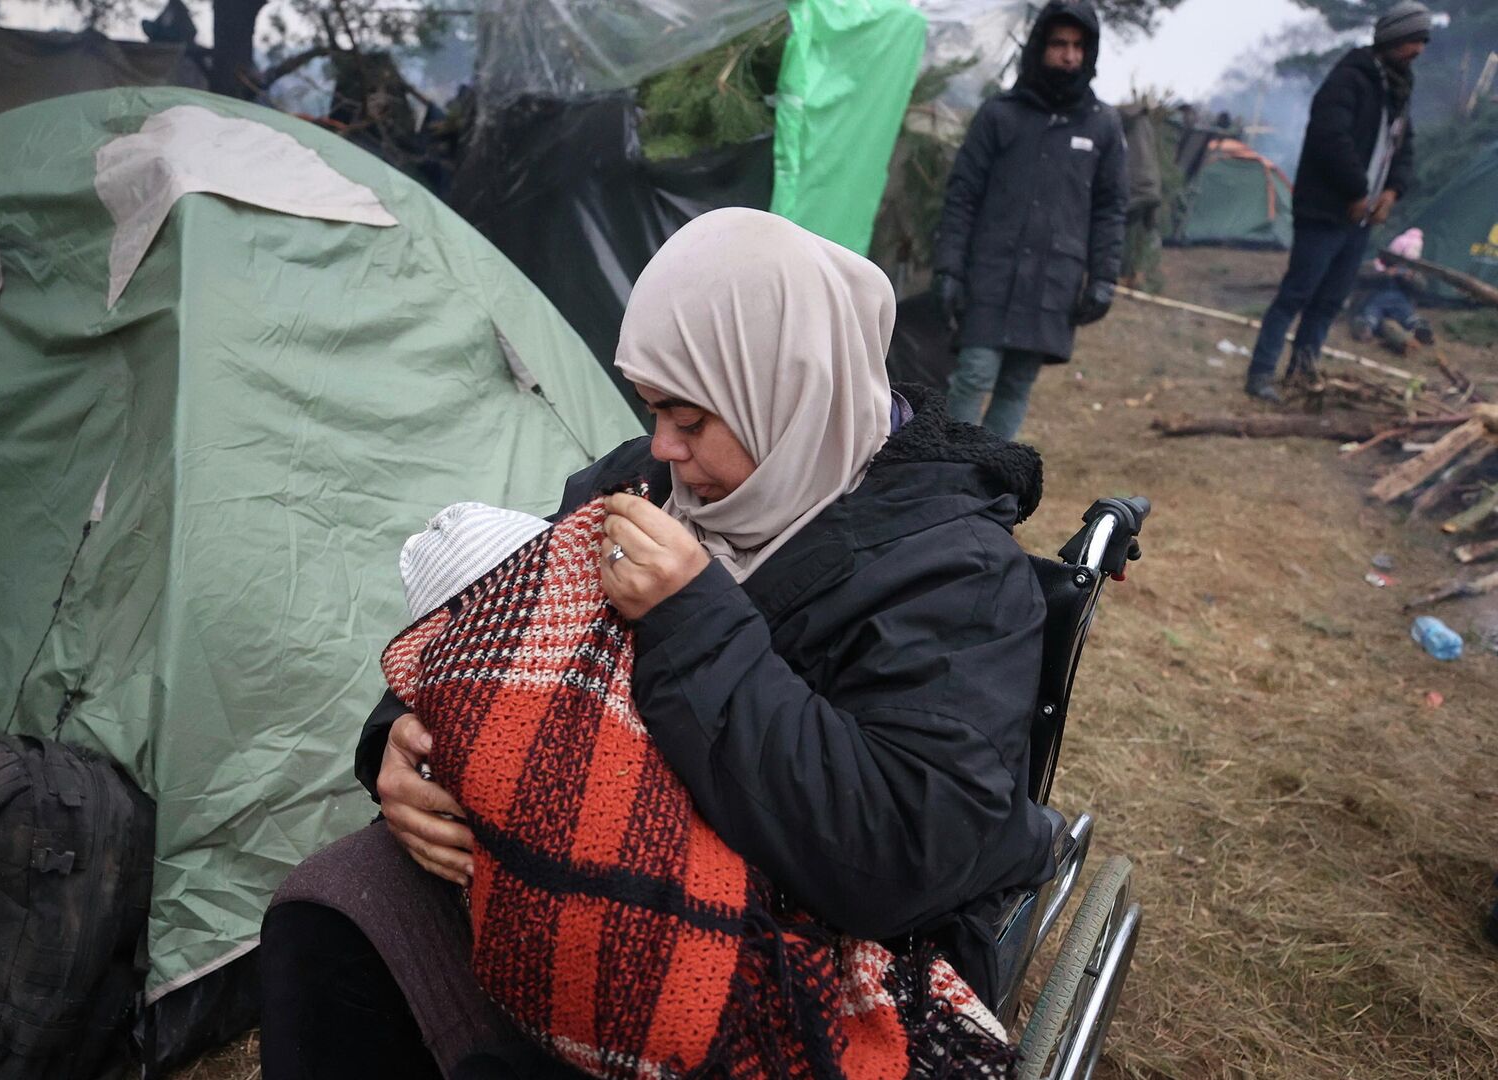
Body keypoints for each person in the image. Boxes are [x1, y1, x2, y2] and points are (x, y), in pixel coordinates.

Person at [258, 209, 1056, 1079]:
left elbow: (897, 856)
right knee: (329, 911)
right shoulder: (639, 481)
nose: (666, 450)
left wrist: (693, 619)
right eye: (652, 411)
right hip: (570, 862)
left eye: (691, 418)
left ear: (788, 389)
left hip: (797, 937)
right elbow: (493, 618)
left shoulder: (956, 575)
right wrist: (401, 741)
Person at [933, 0, 1126, 440]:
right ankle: (950, 465)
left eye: (1079, 46)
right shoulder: (1000, 114)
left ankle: (988, 480)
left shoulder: (1103, 125)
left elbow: (1111, 209)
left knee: (1017, 384)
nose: (1070, 55)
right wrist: (948, 267)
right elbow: (962, 195)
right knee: (975, 373)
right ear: (1040, 46)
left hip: (1054, 279)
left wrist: (1103, 279)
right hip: (991, 272)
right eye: (1060, 43)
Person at [1243, 1, 1432, 402]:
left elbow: (1404, 148)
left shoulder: (1399, 89)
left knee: (1329, 301)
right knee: (1296, 295)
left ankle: (1302, 373)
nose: (1418, 50)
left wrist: (1392, 192)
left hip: (1360, 219)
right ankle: (1260, 374)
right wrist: (1357, 192)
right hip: (1326, 210)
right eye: (1413, 40)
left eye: (1422, 42)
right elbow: (1331, 138)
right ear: (1393, 39)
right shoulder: (1350, 79)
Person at [1350, 227, 1436, 355]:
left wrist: (1411, 278)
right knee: (1371, 314)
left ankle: (1420, 329)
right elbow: (1360, 274)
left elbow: (1421, 287)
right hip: (1374, 299)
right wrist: (1384, 274)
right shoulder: (1376, 265)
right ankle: (1364, 327)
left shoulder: (1412, 272)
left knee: (1407, 314)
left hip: (1400, 302)